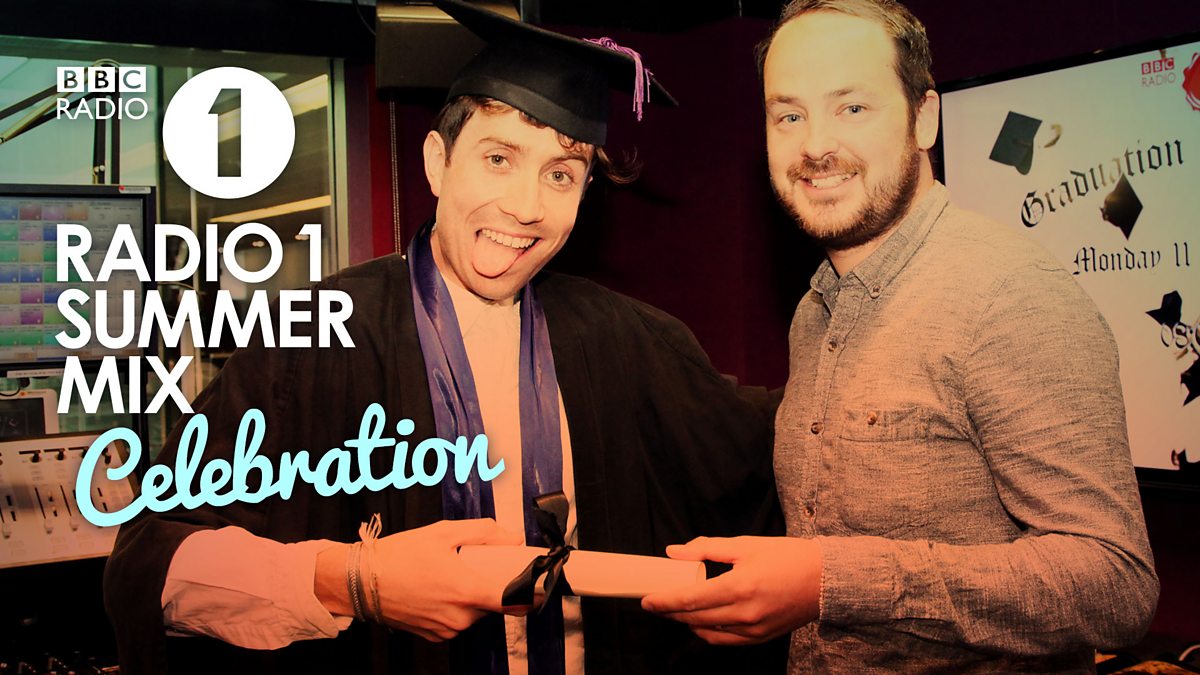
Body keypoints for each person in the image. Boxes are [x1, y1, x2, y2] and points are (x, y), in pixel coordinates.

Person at [103, 2, 783, 673]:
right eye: (499, 157)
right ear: (436, 162)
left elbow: (784, 458)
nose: (526, 206)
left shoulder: (630, 341)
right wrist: (354, 580)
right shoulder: (311, 338)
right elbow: (152, 565)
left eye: (560, 174)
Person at [642, 0, 1159, 672]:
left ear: (925, 118)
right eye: (789, 116)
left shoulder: (1010, 294)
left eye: (852, 107)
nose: (815, 145)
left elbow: (1115, 585)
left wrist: (830, 582)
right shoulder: (815, 311)